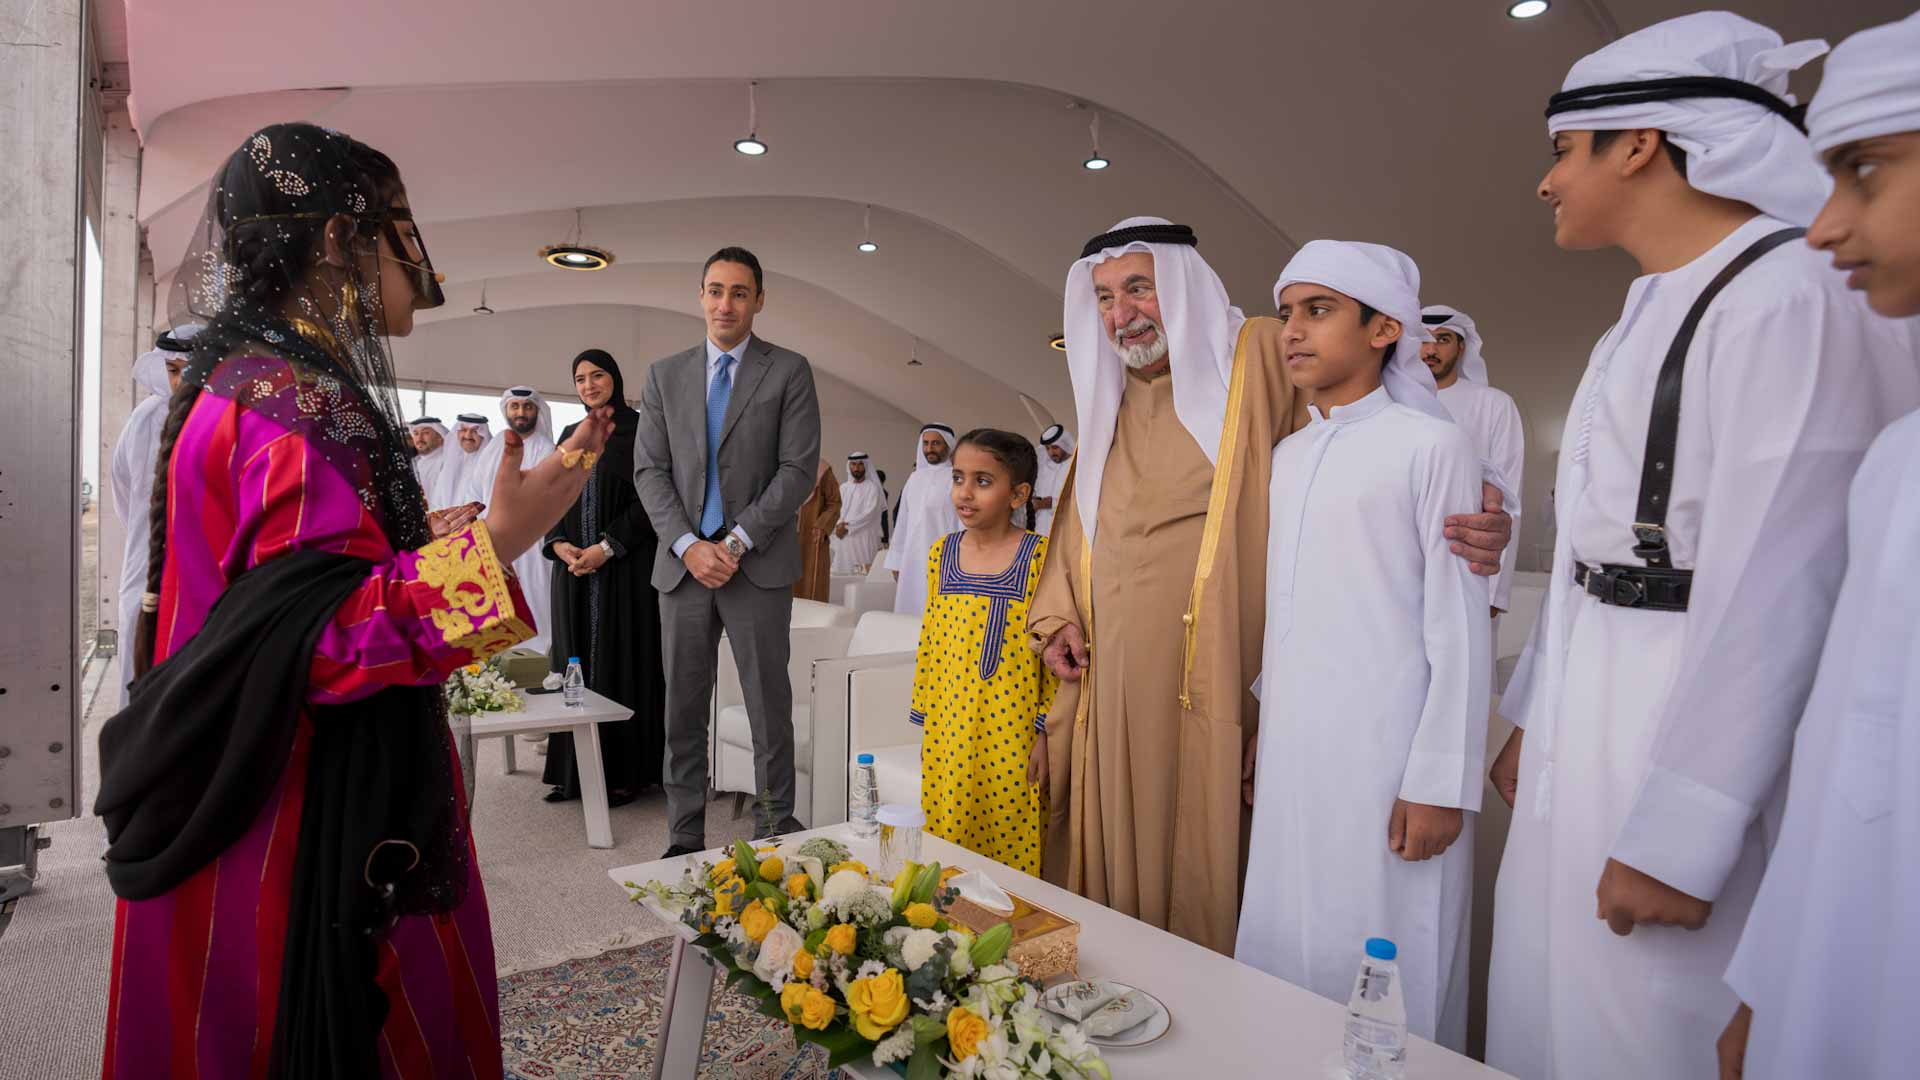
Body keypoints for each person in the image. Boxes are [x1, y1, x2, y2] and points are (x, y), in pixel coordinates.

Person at [91, 122, 613, 1079]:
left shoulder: (244, 382)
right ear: (338, 238)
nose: (419, 255)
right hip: (295, 812)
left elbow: (290, 589)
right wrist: (499, 544)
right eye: (398, 223)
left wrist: (440, 536)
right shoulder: (297, 408)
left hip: (227, 765)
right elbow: (326, 641)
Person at [1484, 15, 1920, 1080]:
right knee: (1548, 994)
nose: (1546, 182)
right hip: (1590, 697)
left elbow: (1787, 579)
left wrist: (1683, 835)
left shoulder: (1788, 294)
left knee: (1644, 1019)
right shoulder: (1644, 307)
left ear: (1639, 142)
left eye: (1562, 150)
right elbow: (1591, 547)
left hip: (1676, 715)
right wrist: (1532, 713)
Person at [1026, 216, 1512, 954]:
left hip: (1223, 675)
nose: (1121, 314)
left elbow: (1383, 416)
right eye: (1103, 298)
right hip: (1112, 671)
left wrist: (1482, 499)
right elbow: (1078, 522)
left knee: (1292, 893)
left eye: (1139, 289)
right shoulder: (1109, 398)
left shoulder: (1253, 355)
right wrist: (1059, 614)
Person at [1719, 14, 1920, 1079]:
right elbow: (1846, 762)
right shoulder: (1900, 465)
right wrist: (1774, 983)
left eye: (1864, 171)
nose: (1826, 225)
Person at [1237, 241, 1489, 1050]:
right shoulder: (1291, 454)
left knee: (1384, 948)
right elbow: (1290, 608)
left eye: (1319, 311)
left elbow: (1459, 623)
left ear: (1385, 329)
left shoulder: (1432, 446)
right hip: (1296, 748)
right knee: (1288, 933)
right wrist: (1266, 723)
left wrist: (1440, 781)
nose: (1292, 331)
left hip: (1390, 757)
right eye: (1287, 312)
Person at [633, 246, 822, 853]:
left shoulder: (789, 370)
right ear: (700, 296)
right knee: (682, 709)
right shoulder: (664, 375)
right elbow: (649, 471)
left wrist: (735, 541)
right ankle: (684, 836)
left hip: (756, 565)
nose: (725, 304)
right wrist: (689, 545)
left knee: (768, 706)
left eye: (740, 292)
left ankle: (772, 833)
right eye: (715, 290)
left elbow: (797, 471)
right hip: (683, 569)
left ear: (758, 300)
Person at [909, 428, 1055, 875]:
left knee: (1011, 828)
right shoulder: (942, 553)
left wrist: (1047, 732)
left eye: (983, 481)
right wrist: (925, 715)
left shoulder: (1041, 557)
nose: (965, 492)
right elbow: (929, 639)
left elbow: (1055, 656)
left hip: (1013, 729)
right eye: (958, 478)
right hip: (948, 726)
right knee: (948, 832)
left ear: (1019, 495)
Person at [540, 349, 666, 809]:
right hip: (574, 572)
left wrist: (606, 547)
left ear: (614, 378)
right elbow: (551, 495)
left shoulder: (643, 431)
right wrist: (558, 543)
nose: (589, 385)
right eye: (580, 378)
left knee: (621, 662)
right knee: (574, 665)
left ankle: (624, 776)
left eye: (597, 375)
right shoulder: (570, 435)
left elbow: (653, 500)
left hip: (624, 570)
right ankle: (572, 774)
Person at [109, 325, 198, 707]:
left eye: (190, 370)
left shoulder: (220, 420)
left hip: (202, 565)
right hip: (149, 560)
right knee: (143, 665)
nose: (180, 381)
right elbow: (127, 495)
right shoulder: (147, 418)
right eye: (173, 370)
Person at [1421, 305, 1526, 620]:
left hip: (1468, 567)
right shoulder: (1391, 401)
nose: (1431, 350)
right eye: (1423, 339)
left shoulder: (1494, 404)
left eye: (1443, 339)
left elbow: (1508, 498)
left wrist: (1494, 591)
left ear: (1461, 347)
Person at [463, 384, 560, 656]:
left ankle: (538, 662)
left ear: (536, 411)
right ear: (506, 410)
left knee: (534, 602)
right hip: (491, 541)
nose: (521, 412)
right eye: (515, 406)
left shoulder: (545, 449)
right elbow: (475, 492)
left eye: (527, 407)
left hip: (530, 544)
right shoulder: (495, 446)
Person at [885, 424, 962, 614]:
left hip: (944, 559)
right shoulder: (914, 478)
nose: (929, 449)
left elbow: (962, 523)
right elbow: (902, 522)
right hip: (912, 559)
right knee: (910, 611)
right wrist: (897, 561)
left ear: (948, 445)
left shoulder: (957, 478)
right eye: (926, 443)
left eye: (936, 443)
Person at [793, 457, 841, 600]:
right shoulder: (781, 463)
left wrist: (822, 525)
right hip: (783, 535)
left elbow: (834, 503)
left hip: (810, 537)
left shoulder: (822, 470)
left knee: (809, 585)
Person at [830, 451, 885, 573]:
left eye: (860, 464)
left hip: (863, 538)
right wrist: (839, 525)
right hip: (844, 538)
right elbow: (837, 509)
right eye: (853, 464)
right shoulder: (843, 487)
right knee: (841, 572)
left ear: (866, 466)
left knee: (861, 573)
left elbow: (869, 514)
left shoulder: (872, 488)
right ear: (849, 466)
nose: (856, 468)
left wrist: (847, 526)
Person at [435, 411, 492, 508]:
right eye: (464, 430)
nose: (468, 436)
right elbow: (436, 502)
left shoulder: (489, 465)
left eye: (475, 431)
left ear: (483, 435)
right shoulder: (449, 464)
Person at [1031, 424, 1075, 537]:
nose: (1051, 453)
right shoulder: (1044, 467)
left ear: (1065, 445)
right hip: (1040, 529)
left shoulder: (1076, 467)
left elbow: (1079, 500)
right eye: (1047, 448)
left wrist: (1051, 503)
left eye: (1055, 447)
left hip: (1065, 530)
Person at [408, 415, 452, 503]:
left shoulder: (448, 462)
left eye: (425, 433)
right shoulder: (413, 463)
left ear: (440, 437)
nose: (419, 438)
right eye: (416, 434)